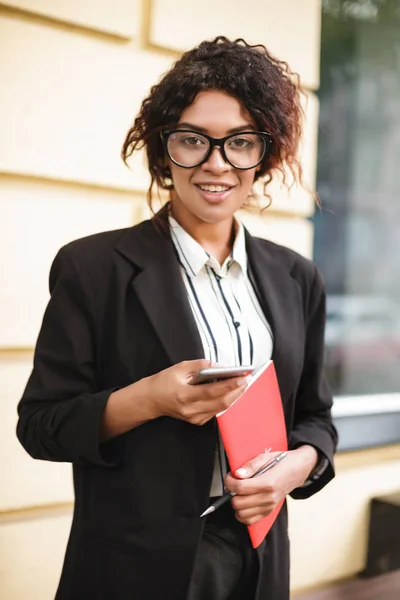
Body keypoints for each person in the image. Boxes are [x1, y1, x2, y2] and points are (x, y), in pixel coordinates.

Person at [16, 36, 338, 600]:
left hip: (260, 557)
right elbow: (41, 425)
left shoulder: (297, 278)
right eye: (193, 140)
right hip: (135, 565)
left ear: (265, 153)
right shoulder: (93, 268)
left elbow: (316, 420)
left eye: (240, 142)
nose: (216, 164)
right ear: (165, 149)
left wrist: (293, 470)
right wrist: (150, 399)